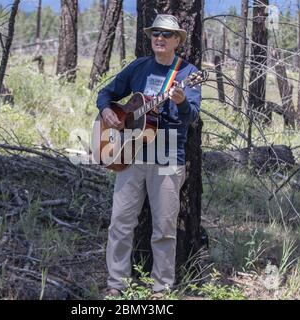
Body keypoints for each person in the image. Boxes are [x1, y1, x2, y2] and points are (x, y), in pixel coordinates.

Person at [96, 14, 202, 297]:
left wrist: (179, 102)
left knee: (165, 228)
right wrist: (107, 110)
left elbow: (191, 116)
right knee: (120, 222)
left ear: (177, 40)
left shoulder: (187, 74)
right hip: (130, 152)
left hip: (167, 154)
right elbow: (106, 93)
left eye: (166, 35)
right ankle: (116, 284)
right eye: (156, 33)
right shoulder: (140, 67)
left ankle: (161, 288)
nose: (160, 38)